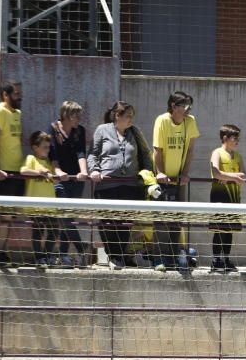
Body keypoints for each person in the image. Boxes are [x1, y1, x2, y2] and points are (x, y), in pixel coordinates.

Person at [88, 102, 155, 270]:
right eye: (128, 116)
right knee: (108, 222)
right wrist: (94, 170)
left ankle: (119, 256)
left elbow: (146, 154)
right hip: (107, 185)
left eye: (132, 116)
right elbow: (93, 154)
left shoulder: (134, 132)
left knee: (125, 223)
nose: (131, 119)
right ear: (117, 116)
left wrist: (147, 173)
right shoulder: (102, 130)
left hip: (129, 186)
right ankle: (113, 255)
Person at [152, 91, 200, 272]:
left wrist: (185, 173)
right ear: (173, 106)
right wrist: (161, 173)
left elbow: (190, 150)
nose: (188, 109)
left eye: (189, 106)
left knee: (176, 220)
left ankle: (173, 257)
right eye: (184, 105)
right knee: (160, 220)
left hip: (178, 179)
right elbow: (158, 149)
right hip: (162, 178)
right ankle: (158, 258)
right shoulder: (162, 120)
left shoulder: (190, 121)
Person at [0, 80, 24, 266]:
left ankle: (2, 252)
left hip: (17, 172)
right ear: (5, 95)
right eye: (16, 93)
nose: (20, 96)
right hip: (5, 172)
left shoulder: (17, 113)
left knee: (10, 217)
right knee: (4, 217)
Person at [49, 100, 90, 267]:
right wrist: (58, 172)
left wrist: (84, 172)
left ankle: (64, 255)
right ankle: (82, 248)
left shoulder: (79, 131)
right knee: (65, 218)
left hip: (76, 179)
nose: (79, 118)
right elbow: (53, 155)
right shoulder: (53, 129)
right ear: (66, 115)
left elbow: (81, 152)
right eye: (75, 115)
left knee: (69, 218)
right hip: (60, 180)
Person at [20, 131, 66, 269]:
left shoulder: (47, 162)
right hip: (36, 205)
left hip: (50, 205)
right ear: (35, 147)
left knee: (54, 230)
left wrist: (57, 177)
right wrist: (39, 172)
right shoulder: (31, 159)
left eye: (48, 147)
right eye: (45, 147)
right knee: (38, 231)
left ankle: (47, 255)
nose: (48, 149)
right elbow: (23, 171)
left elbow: (52, 179)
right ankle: (39, 257)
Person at [208, 124, 246, 273]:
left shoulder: (238, 156)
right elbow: (216, 173)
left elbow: (244, 174)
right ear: (225, 138)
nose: (237, 141)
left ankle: (226, 259)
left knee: (229, 230)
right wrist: (234, 177)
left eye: (238, 138)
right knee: (219, 229)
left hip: (234, 197)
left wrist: (229, 177)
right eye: (234, 138)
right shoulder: (217, 153)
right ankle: (216, 260)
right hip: (219, 195)